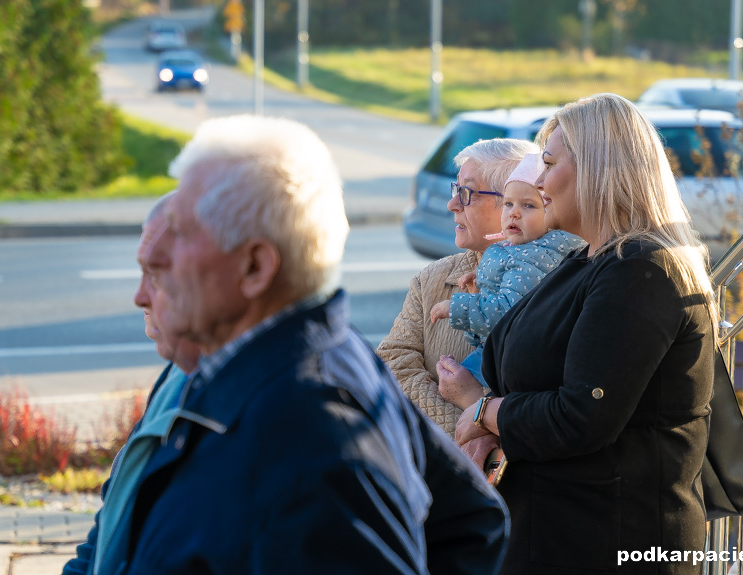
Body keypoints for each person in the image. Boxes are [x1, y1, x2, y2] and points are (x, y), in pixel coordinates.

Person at [85, 114, 508, 574]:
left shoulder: (314, 430)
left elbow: (473, 525)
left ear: (255, 268)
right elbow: (471, 520)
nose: (156, 270)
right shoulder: (247, 370)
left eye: (183, 233)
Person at [454, 93, 718, 574]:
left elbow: (581, 416)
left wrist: (486, 412)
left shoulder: (640, 270)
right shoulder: (589, 261)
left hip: (610, 541)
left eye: (549, 163)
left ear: (598, 168)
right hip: (562, 533)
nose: (536, 180)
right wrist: (497, 427)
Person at [64, 192, 202, 575]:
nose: (140, 296)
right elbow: (112, 522)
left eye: (157, 275)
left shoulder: (254, 408)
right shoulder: (179, 372)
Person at [377, 138, 541, 436]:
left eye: (466, 193)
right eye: (456, 191)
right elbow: (393, 363)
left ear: (514, 204)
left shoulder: (558, 280)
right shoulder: (432, 279)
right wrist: (464, 432)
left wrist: (481, 417)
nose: (452, 204)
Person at [428, 152, 584, 398]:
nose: (513, 213)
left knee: (457, 385)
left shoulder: (536, 255)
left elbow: (508, 313)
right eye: (509, 204)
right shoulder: (514, 251)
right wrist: (481, 290)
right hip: (502, 353)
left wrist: (458, 307)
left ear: (552, 212)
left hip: (514, 360)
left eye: (529, 205)